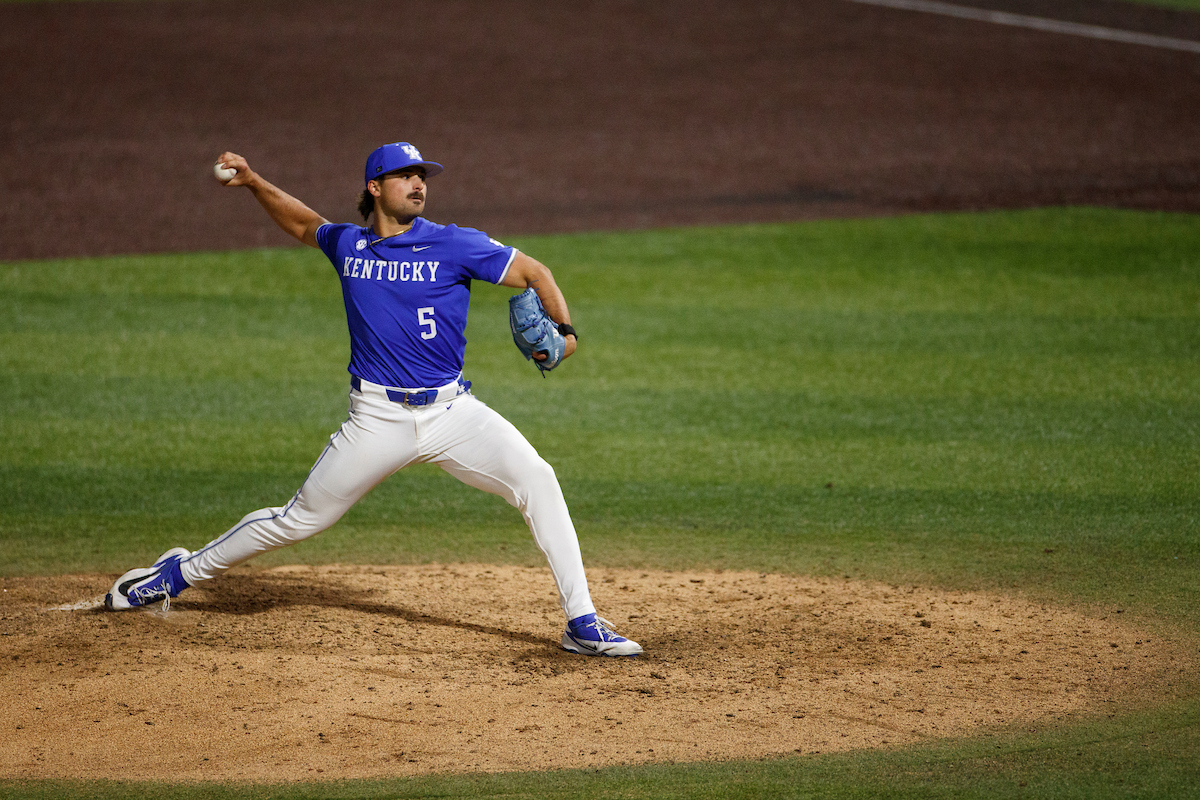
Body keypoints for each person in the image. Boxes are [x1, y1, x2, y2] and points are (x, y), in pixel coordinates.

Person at [104, 142, 642, 658]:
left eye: (422, 177)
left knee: (537, 479)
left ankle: (581, 620)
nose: (418, 184)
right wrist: (252, 182)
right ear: (375, 187)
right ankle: (173, 575)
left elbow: (535, 273)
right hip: (376, 419)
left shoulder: (455, 243)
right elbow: (302, 223)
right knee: (299, 520)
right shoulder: (350, 247)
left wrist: (566, 335)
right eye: (406, 176)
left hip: (452, 412)